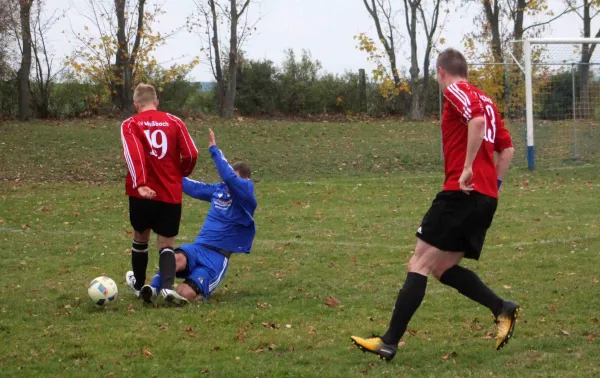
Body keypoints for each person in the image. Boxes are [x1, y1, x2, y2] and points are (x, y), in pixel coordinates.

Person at [351, 48, 518, 361]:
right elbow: (506, 151)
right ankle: (502, 308)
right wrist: (490, 188)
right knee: (443, 267)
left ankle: (389, 342)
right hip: (484, 199)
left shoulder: (456, 90)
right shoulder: (488, 100)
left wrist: (468, 167)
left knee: (420, 264)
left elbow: (477, 123)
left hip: (460, 193)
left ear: (441, 71)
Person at [138, 129, 257, 305]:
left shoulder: (247, 194)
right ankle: (154, 289)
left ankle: (199, 293)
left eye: (234, 179)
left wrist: (214, 149)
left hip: (216, 258)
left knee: (184, 293)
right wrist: (163, 170)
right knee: (176, 257)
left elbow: (228, 176)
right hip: (199, 247)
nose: (228, 183)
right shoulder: (220, 190)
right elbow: (192, 186)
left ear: (245, 180)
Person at [122, 83, 198, 304]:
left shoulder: (130, 124)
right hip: (170, 191)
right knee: (166, 244)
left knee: (140, 237)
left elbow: (133, 155)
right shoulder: (175, 122)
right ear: (156, 102)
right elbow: (192, 154)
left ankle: (138, 285)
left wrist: (141, 183)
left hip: (141, 194)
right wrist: (180, 173)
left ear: (136, 105)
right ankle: (166, 288)